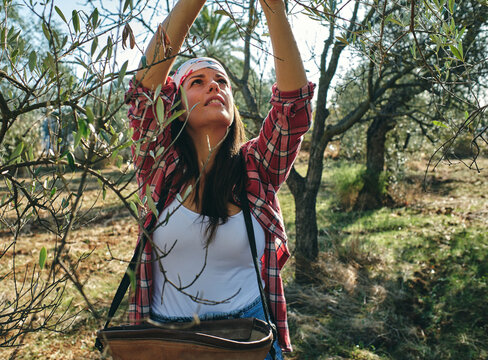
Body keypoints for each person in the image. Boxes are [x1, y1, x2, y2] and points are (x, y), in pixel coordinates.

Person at [125, 0, 315, 357]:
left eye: (222, 81)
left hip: (248, 335)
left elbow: (294, 110)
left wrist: (274, 8)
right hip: (169, 341)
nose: (214, 86)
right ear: (176, 108)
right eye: (198, 82)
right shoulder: (159, 167)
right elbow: (142, 95)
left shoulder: (257, 168)